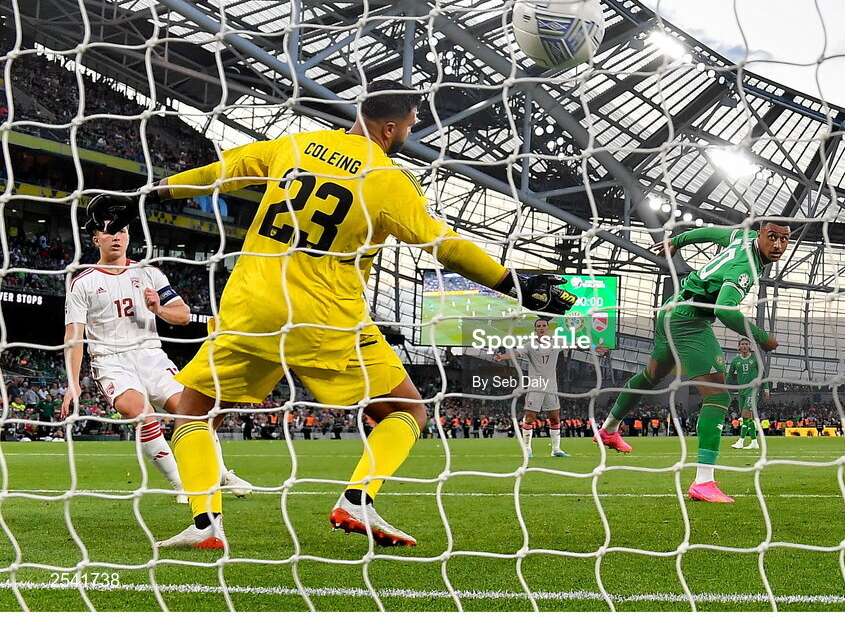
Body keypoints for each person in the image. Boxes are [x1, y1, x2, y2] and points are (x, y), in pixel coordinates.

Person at [133, 79, 576, 549]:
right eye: (410, 123)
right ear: (389, 128)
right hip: (327, 318)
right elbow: (446, 247)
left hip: (252, 308)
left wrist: (150, 195)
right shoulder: (387, 180)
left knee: (194, 415)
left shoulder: (296, 146)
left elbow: (224, 171)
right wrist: (513, 284)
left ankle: (206, 524)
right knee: (408, 410)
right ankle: (357, 498)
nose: (412, 129)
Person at [62, 199, 252, 503]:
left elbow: (185, 315)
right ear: (96, 239)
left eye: (121, 231)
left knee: (193, 415)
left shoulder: (148, 274)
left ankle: (220, 473)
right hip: (111, 362)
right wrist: (73, 385)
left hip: (151, 356)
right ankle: (181, 485)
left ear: (128, 236)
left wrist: (158, 308)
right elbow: (74, 336)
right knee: (142, 414)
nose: (116, 237)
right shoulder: (83, 283)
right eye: (109, 232)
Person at [593, 222, 790, 503]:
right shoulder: (745, 269)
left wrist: (678, 240)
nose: (778, 246)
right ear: (760, 235)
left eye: (784, 239)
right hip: (689, 321)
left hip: (671, 309)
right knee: (718, 398)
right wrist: (760, 337)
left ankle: (609, 429)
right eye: (772, 238)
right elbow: (723, 309)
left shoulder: (741, 236)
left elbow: (709, 232)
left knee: (651, 376)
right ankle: (703, 482)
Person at [493, 318, 607, 458]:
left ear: (548, 328)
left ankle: (556, 450)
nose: (541, 328)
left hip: (552, 386)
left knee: (555, 418)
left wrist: (595, 347)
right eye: (538, 326)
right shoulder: (529, 345)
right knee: (530, 418)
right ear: (535, 329)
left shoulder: (557, 342)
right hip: (536, 385)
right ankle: (527, 450)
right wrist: (502, 357)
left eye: (543, 325)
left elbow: (577, 345)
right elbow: (515, 353)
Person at [727, 338, 769, 450]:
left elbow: (763, 375)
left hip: (753, 390)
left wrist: (766, 389)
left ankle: (741, 441)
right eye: (742, 344)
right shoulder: (736, 361)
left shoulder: (755, 359)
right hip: (742, 391)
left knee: (745, 415)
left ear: (750, 347)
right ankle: (754, 442)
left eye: (746, 344)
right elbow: (730, 375)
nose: (745, 346)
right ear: (739, 347)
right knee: (748, 418)